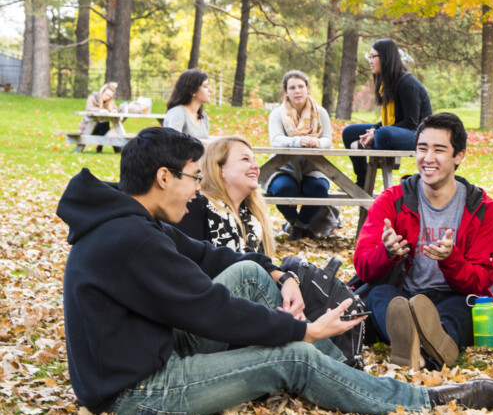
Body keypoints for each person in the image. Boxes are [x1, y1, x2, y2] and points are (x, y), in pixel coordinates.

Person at [57, 127, 493, 415]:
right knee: (292, 356)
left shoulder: (136, 221)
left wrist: (279, 273)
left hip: (153, 350)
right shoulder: (131, 241)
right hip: (137, 390)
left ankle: (344, 376)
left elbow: (211, 257)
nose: (198, 189)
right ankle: (422, 402)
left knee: (253, 271)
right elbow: (209, 309)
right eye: (194, 178)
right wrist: (303, 331)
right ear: (162, 177)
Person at [353, 113, 493, 370]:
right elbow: (363, 267)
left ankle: (429, 346)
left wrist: (451, 259)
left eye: (439, 150)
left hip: (453, 297)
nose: (428, 158)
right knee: (380, 294)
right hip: (403, 295)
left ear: (459, 156)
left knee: (464, 307)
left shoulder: (483, 209)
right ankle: (414, 345)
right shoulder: (392, 200)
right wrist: (386, 253)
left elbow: (481, 281)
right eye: (422, 149)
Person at [341, 38, 432, 190]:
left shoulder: (407, 84)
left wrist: (376, 132)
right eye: (368, 57)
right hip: (393, 130)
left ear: (385, 57)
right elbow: (391, 121)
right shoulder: (386, 83)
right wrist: (375, 130)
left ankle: (376, 142)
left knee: (383, 134)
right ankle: (362, 180)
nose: (369, 61)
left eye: (372, 57)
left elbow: (411, 123)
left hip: (418, 135)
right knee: (349, 132)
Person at [173, 136, 276, 255]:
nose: (256, 166)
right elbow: (188, 263)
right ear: (220, 168)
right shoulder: (195, 206)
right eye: (245, 159)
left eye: (254, 159)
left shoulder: (253, 214)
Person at [266, 70, 335, 239]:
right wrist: (299, 141)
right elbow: (276, 140)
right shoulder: (277, 114)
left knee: (320, 188)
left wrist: (318, 143)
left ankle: (299, 227)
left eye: (300, 86)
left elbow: (327, 139)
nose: (297, 91)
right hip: (283, 166)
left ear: (307, 88)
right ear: (286, 92)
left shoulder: (321, 112)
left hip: (313, 166)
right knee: (283, 189)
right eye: (292, 88)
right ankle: (294, 221)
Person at [164, 69, 212, 140]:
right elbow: (173, 142)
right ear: (192, 91)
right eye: (205, 86)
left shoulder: (203, 116)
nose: (210, 90)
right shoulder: (178, 112)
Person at [79, 82, 123, 152]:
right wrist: (100, 110)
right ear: (102, 92)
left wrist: (114, 110)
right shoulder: (92, 98)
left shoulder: (108, 101)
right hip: (88, 127)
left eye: (110, 96)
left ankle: (110, 149)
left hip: (101, 128)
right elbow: (89, 108)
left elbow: (116, 108)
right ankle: (117, 149)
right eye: (106, 95)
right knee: (105, 125)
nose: (107, 97)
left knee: (107, 126)